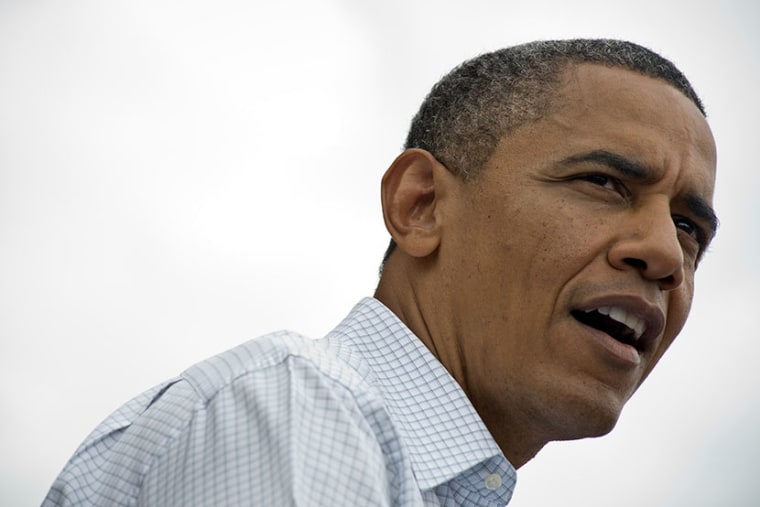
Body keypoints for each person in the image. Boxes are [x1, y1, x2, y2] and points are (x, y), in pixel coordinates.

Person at [43, 38, 718, 506]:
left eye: (690, 228)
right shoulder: (299, 409)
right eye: (603, 182)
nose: (664, 253)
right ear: (419, 205)